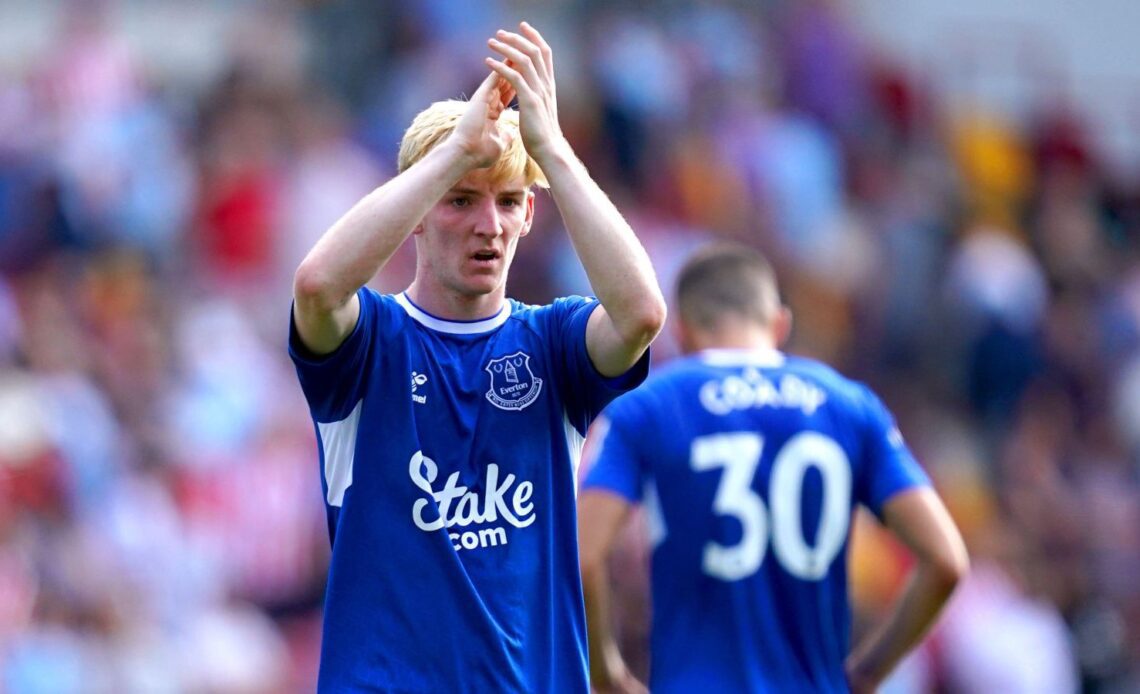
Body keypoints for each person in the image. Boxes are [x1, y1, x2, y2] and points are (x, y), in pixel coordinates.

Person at [288, 22, 666, 692]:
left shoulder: (553, 345)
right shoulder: (369, 342)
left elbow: (640, 313)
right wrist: (456, 151)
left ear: (528, 217)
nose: (488, 225)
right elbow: (317, 285)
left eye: (509, 202)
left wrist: (550, 148)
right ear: (416, 213)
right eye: (460, 201)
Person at [578, 243, 969, 693]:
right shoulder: (851, 406)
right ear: (780, 323)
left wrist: (606, 674)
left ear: (682, 332)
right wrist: (866, 673)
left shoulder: (650, 406)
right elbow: (946, 561)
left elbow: (584, 553)